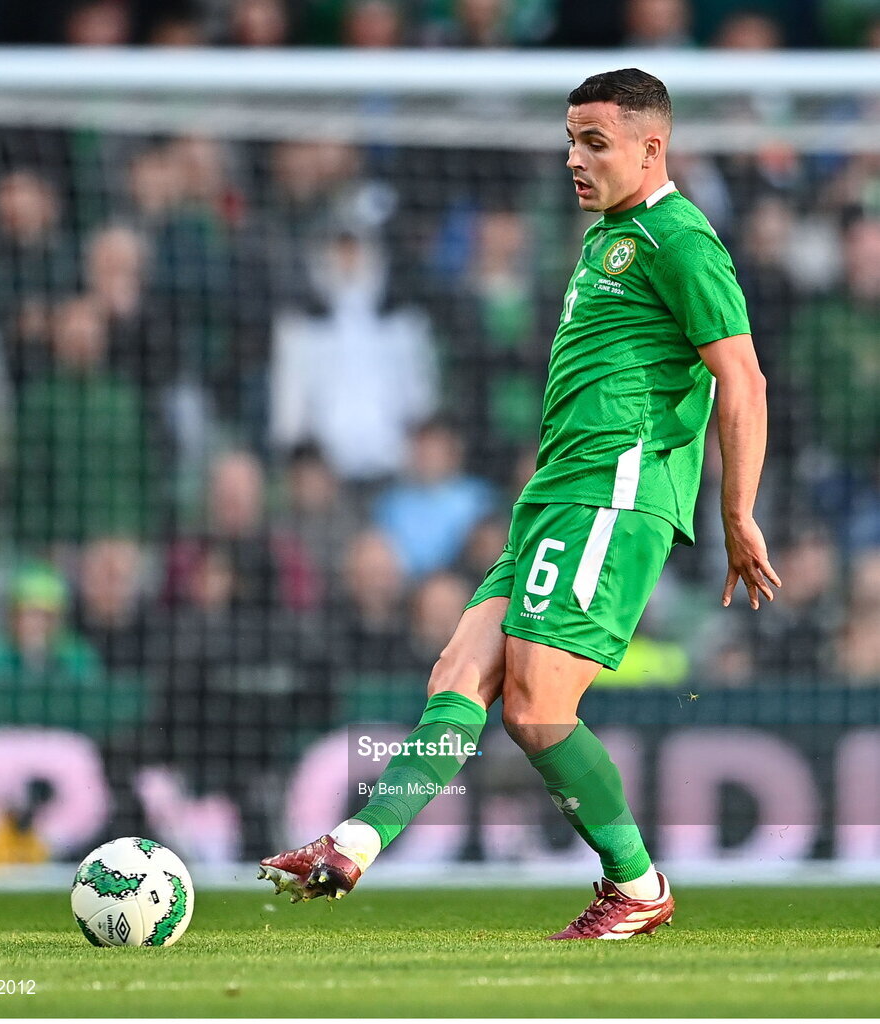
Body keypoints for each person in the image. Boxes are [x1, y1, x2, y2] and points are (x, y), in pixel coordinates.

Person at [258, 69, 779, 940]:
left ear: (654, 148)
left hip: (612, 494)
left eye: (596, 142)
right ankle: (349, 846)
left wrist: (737, 513)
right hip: (555, 496)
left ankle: (639, 887)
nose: (574, 159)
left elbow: (744, 379)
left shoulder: (681, 239)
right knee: (457, 677)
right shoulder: (608, 236)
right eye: (571, 140)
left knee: (538, 709)